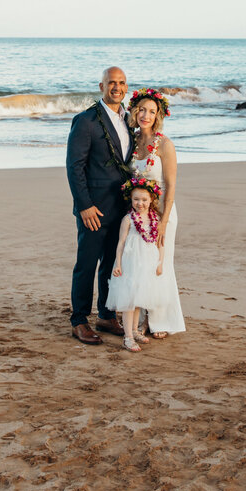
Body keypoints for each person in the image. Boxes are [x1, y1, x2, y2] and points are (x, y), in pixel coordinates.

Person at [66, 67, 135, 345]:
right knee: (86, 264)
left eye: (121, 83)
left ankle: (106, 315)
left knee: (111, 263)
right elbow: (75, 166)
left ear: (126, 87)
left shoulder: (129, 119)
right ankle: (79, 320)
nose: (116, 88)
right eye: (111, 83)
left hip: (121, 208)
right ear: (101, 86)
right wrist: (84, 205)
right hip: (93, 209)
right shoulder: (86, 121)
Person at [127, 88, 185, 338]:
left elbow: (171, 185)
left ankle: (158, 320)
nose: (145, 115)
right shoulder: (131, 141)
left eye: (151, 111)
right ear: (134, 111)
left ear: (158, 114)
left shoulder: (165, 144)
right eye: (142, 109)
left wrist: (163, 220)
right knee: (141, 265)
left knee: (160, 264)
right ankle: (140, 318)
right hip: (138, 214)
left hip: (162, 214)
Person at [107, 178, 166, 352]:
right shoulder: (128, 219)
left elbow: (160, 243)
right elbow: (121, 243)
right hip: (130, 263)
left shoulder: (155, 219)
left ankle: (135, 330)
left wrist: (160, 262)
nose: (140, 203)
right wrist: (118, 264)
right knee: (128, 300)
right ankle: (128, 337)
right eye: (136, 200)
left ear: (152, 200)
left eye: (144, 200)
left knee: (139, 298)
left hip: (146, 263)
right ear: (130, 200)